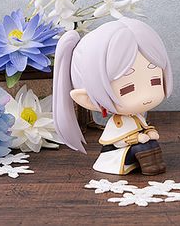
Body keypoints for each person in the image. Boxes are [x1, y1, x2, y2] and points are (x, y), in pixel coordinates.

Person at [52, 17, 173, 175]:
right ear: (86, 99)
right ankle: (149, 166)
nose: (146, 96)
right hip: (116, 157)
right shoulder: (117, 122)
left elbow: (143, 128)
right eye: (127, 89)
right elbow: (115, 142)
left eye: (155, 81)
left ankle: (154, 166)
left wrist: (149, 133)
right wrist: (136, 139)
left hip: (133, 152)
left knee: (151, 144)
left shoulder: (137, 116)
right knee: (142, 147)